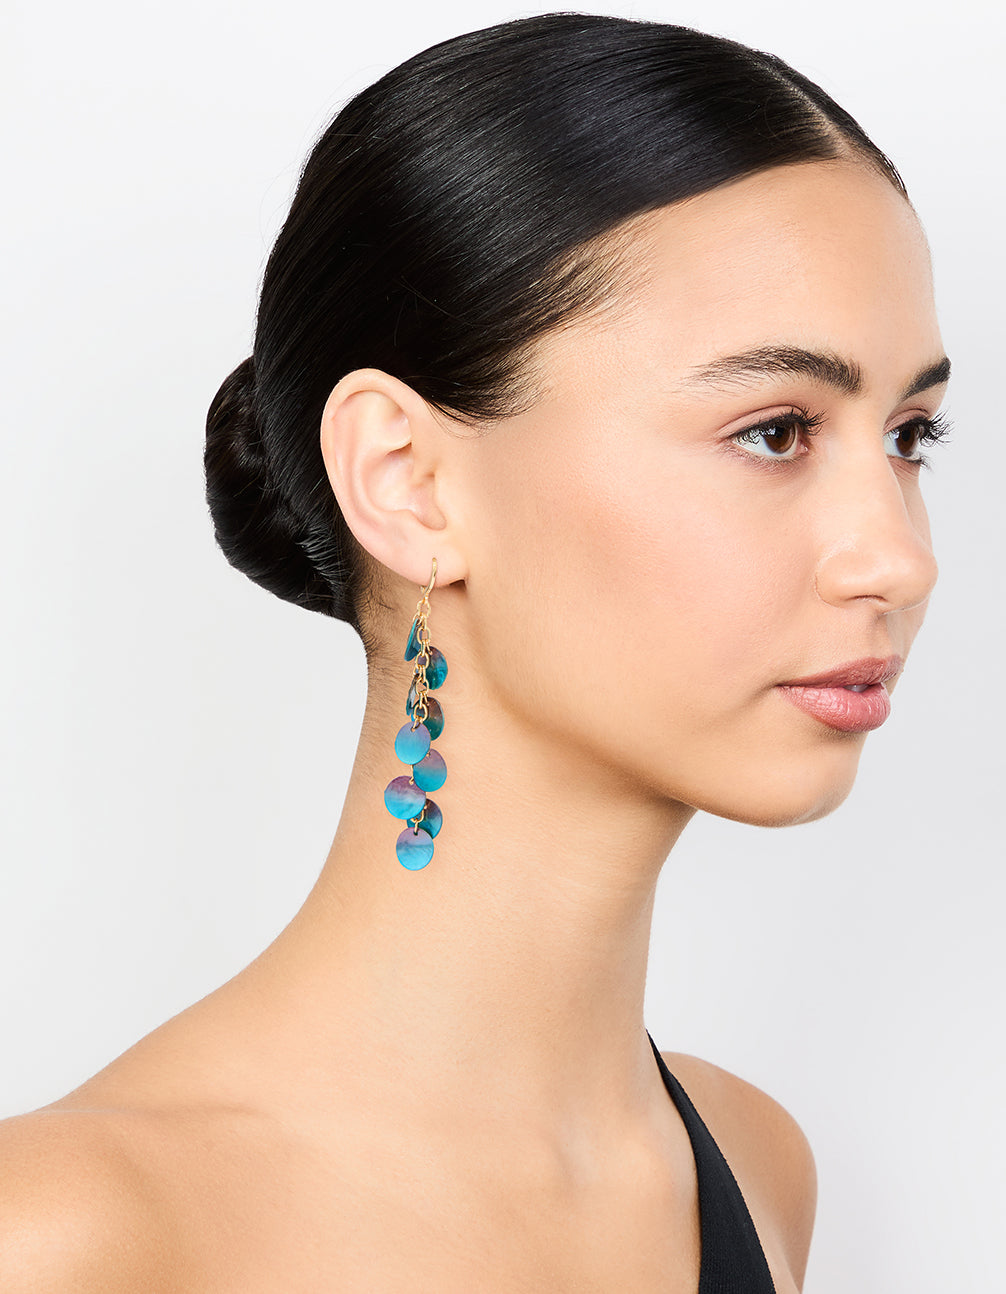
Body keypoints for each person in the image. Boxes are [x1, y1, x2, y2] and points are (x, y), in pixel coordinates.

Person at [0, 12, 951, 1291]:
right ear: (408, 482)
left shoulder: (754, 1164)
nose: (896, 558)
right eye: (774, 431)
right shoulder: (65, 1238)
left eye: (909, 435)